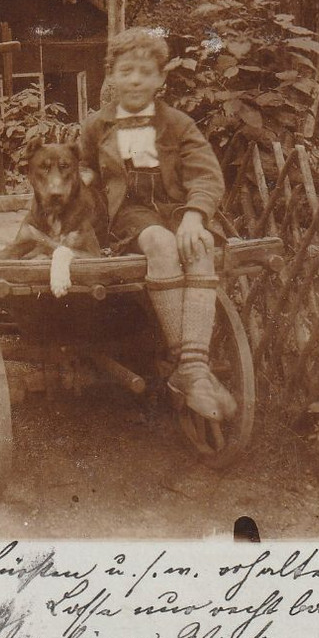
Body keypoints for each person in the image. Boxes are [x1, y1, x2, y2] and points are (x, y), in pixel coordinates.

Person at [80, 26, 236, 422]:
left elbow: (205, 175)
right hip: (130, 219)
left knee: (197, 245)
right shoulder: (96, 127)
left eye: (146, 73)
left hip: (177, 210)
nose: (135, 80)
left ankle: (192, 368)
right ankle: (191, 367)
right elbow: (85, 170)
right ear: (111, 75)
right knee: (161, 244)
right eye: (127, 70)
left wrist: (195, 215)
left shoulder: (178, 124)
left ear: (161, 79)